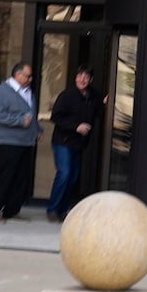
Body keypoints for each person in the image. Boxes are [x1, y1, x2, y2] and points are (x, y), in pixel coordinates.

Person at [46, 66, 102, 222]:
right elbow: (55, 117)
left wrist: (106, 101)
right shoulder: (67, 95)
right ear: (75, 78)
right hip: (62, 142)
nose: (82, 79)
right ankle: (52, 209)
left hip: (78, 144)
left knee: (72, 178)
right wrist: (76, 126)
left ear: (90, 79)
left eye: (86, 77)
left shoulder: (92, 95)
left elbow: (100, 105)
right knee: (64, 173)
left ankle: (62, 210)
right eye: (80, 76)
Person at [0, 61, 38, 222]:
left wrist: (37, 129)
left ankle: (12, 210)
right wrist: (19, 121)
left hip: (25, 142)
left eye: (31, 76)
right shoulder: (2, 92)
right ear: (17, 74)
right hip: (8, 141)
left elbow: (30, 115)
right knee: (4, 177)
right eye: (27, 76)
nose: (30, 79)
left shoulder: (28, 92)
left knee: (20, 178)